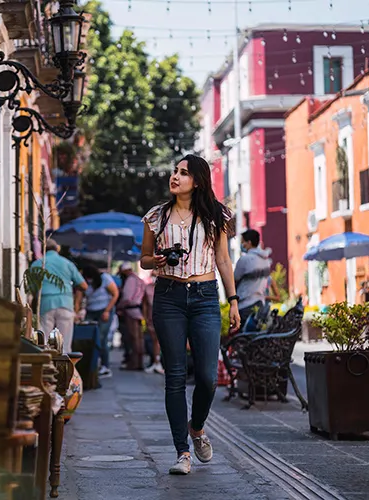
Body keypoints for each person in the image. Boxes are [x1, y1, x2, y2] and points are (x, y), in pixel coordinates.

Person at [141, 154, 241, 475]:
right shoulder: (157, 216)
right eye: (175, 171)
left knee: (208, 379)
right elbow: (143, 258)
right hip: (168, 297)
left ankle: (196, 427)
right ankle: (182, 452)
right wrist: (155, 260)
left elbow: (223, 260)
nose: (175, 177)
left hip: (205, 297)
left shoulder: (216, 216)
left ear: (197, 181)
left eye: (183, 173)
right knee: (174, 377)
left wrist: (234, 300)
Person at [31, 238, 88, 354]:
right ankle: (65, 368)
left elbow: (32, 288)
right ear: (57, 249)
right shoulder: (67, 263)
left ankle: (46, 368)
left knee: (44, 342)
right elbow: (84, 286)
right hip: (65, 303)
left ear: (43, 250)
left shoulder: (37, 264)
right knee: (65, 344)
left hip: (45, 303)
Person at [82, 264, 120, 378]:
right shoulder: (85, 281)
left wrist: (107, 311)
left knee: (101, 338)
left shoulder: (105, 278)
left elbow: (115, 294)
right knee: (88, 338)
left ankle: (105, 366)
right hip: (91, 311)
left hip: (104, 309)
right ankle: (91, 365)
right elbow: (79, 296)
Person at [234, 229, 274, 330]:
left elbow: (234, 279)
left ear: (249, 242)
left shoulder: (245, 260)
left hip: (245, 304)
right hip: (261, 302)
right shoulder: (266, 260)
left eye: (243, 242)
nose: (242, 245)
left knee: (243, 338)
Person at [115, 262, 147, 371]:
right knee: (139, 338)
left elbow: (127, 298)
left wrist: (119, 306)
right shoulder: (139, 279)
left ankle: (134, 363)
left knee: (133, 338)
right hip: (138, 311)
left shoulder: (130, 280)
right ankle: (139, 362)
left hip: (131, 311)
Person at [141, 269, 164, 374]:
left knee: (160, 341)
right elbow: (145, 304)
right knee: (155, 340)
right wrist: (145, 318)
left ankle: (159, 362)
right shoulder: (148, 288)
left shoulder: (165, 288)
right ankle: (156, 361)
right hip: (151, 318)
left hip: (163, 317)